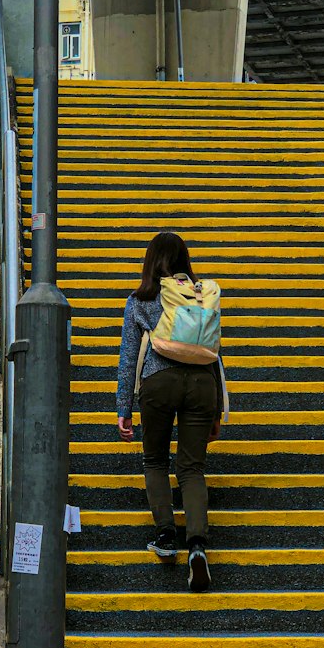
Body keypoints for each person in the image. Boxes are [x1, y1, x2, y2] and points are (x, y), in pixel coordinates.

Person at [116, 232, 222, 593]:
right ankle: (196, 546)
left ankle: (165, 534)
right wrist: (218, 411)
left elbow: (130, 357)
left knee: (156, 461)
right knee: (192, 468)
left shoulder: (141, 299)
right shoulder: (201, 295)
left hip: (158, 382)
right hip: (203, 384)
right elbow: (216, 354)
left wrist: (123, 408)